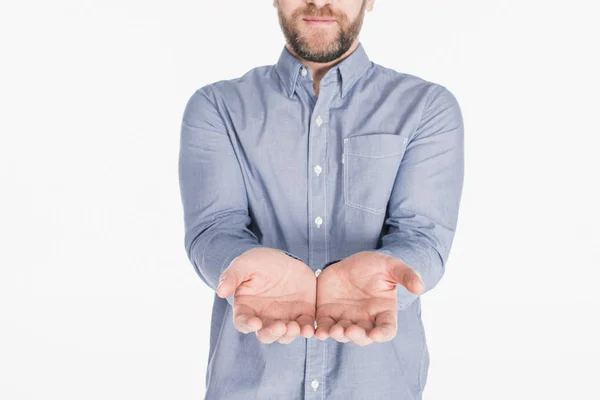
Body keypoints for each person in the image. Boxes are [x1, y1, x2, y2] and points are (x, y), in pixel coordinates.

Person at [177, 0, 464, 398]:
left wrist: (389, 276)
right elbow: (213, 230)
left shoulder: (427, 109)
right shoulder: (217, 108)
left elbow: (423, 238)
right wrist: (240, 265)